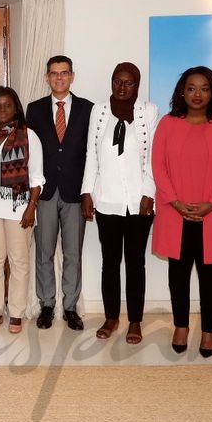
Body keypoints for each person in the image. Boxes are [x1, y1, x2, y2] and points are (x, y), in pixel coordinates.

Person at [152, 66, 212, 357]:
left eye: (204, 88)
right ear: (182, 91)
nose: (198, 94)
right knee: (177, 272)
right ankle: (180, 326)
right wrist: (175, 202)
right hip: (175, 211)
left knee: (209, 274)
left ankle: (209, 331)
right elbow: (158, 167)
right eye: (191, 88)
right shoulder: (167, 124)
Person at [81, 63, 159, 345]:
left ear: (137, 85)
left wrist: (149, 193)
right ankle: (111, 317)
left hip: (139, 202)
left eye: (128, 83)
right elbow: (91, 153)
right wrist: (86, 192)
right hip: (107, 200)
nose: (122, 87)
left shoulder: (148, 111)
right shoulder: (98, 111)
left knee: (136, 263)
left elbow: (153, 156)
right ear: (111, 82)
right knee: (110, 263)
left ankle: (135, 321)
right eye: (117, 81)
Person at [26, 55, 92, 331]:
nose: (59, 78)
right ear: (47, 77)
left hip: (76, 192)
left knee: (73, 253)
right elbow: (29, 153)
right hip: (44, 191)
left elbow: (92, 154)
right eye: (54, 74)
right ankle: (46, 305)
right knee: (43, 252)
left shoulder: (88, 109)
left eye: (64, 73)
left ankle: (70, 307)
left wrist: (89, 190)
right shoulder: (35, 109)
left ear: (72, 76)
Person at [0, 87, 44, 334]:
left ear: (16, 108)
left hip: (19, 208)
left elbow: (36, 177)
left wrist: (31, 208)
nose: (2, 110)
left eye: (7, 105)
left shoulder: (29, 135)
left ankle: (16, 313)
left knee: (19, 262)